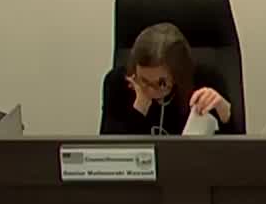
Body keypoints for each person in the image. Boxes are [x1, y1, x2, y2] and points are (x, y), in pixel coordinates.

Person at [101, 22, 237, 135]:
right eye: (144, 80)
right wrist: (139, 108)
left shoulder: (206, 80)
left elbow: (235, 152)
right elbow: (109, 151)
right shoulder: (119, 83)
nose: (152, 91)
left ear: (178, 75)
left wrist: (224, 113)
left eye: (161, 83)